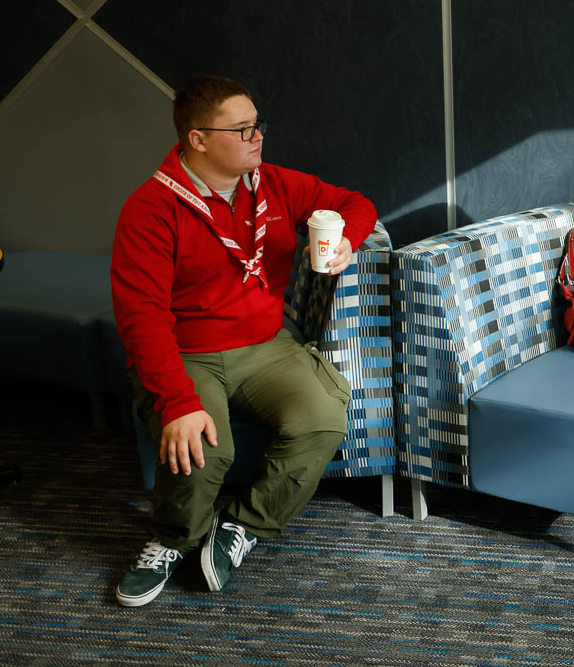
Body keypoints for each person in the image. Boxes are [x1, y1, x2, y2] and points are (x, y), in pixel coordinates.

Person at [110, 75, 377, 606]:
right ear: (198, 139)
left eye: (258, 126)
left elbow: (355, 201)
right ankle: (173, 538)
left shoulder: (273, 183)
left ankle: (243, 525)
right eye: (242, 129)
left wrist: (347, 238)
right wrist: (178, 402)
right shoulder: (151, 209)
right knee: (205, 446)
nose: (258, 138)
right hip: (186, 352)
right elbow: (142, 318)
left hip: (264, 345)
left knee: (323, 416)